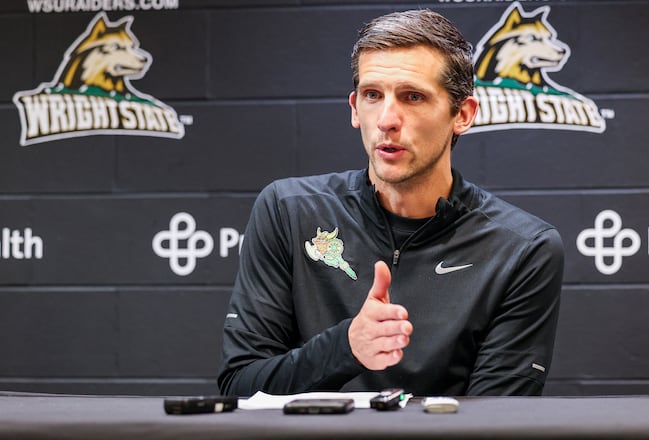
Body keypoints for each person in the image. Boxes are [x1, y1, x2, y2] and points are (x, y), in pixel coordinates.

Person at [218, 9, 564, 397]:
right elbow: (240, 387)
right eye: (372, 95)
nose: (386, 119)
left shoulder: (523, 248)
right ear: (354, 109)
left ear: (462, 115)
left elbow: (495, 421)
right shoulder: (288, 209)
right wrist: (347, 347)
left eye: (412, 97)